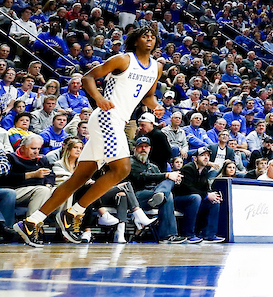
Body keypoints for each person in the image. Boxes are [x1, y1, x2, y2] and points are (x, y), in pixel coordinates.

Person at [15, 25, 163, 246]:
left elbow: (148, 96)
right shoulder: (122, 59)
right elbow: (87, 78)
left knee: (80, 177)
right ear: (135, 41)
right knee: (122, 168)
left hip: (118, 121)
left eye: (152, 36)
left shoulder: (156, 68)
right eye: (145, 36)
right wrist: (98, 99)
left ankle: (31, 222)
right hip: (106, 117)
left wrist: (156, 106)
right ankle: (74, 213)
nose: (149, 39)